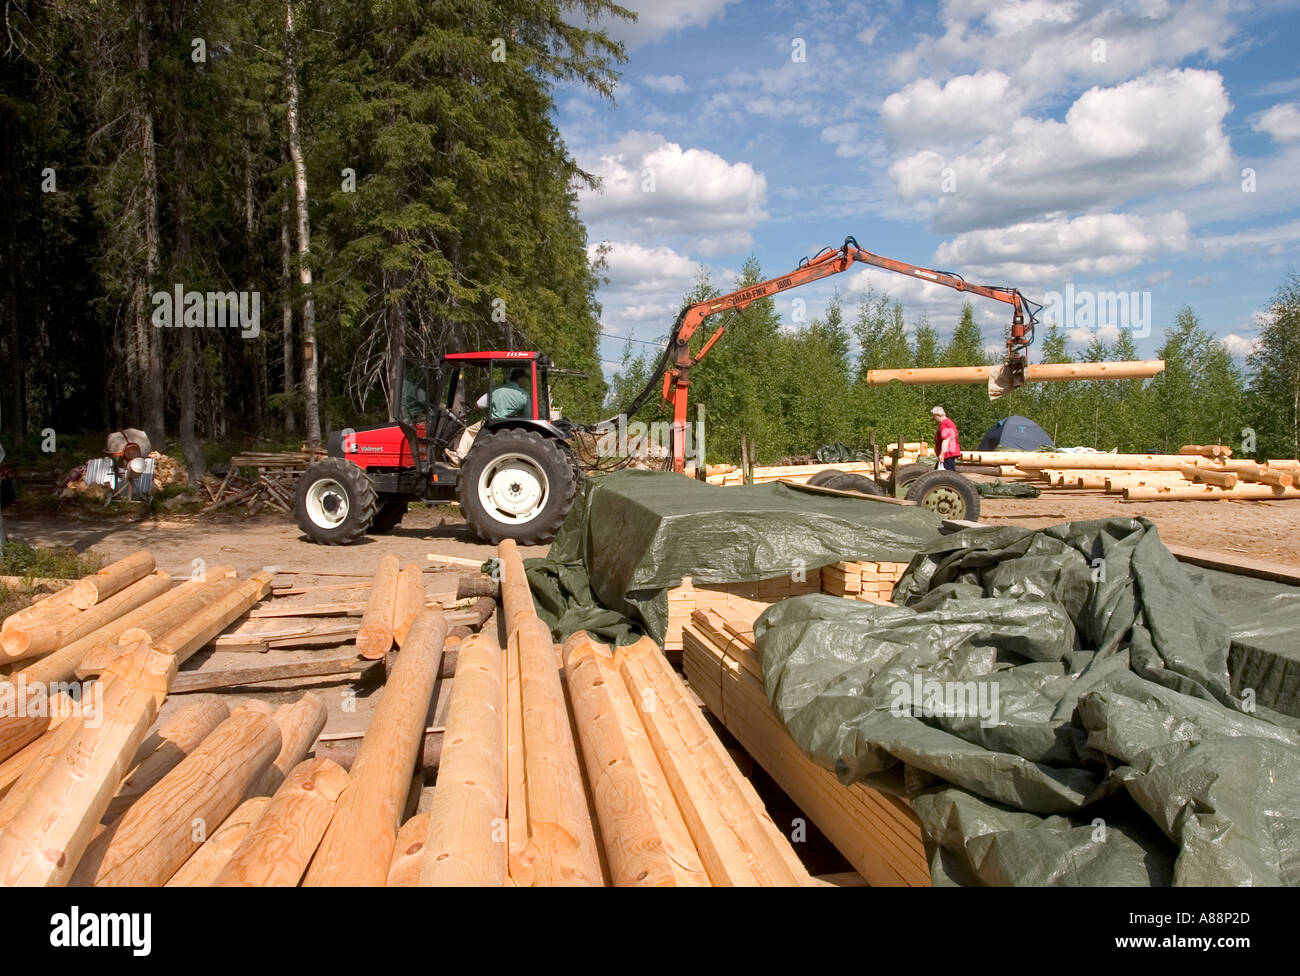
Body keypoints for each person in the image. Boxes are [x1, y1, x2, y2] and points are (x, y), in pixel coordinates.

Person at [930, 406, 960, 471]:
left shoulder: (945, 424)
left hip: (948, 454)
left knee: (948, 475)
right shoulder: (948, 422)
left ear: (938, 415)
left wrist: (942, 454)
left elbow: (946, 440)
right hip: (949, 453)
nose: (934, 418)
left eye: (934, 416)